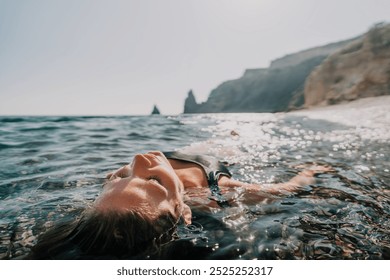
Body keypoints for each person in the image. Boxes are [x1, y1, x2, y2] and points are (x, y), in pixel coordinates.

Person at [27, 151, 331, 259]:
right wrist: (309, 173)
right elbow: (283, 190)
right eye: (154, 182)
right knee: (230, 147)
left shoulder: (119, 193)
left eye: (120, 176)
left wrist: (127, 178)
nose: (137, 161)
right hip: (211, 162)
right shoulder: (215, 192)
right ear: (181, 208)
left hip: (191, 153)